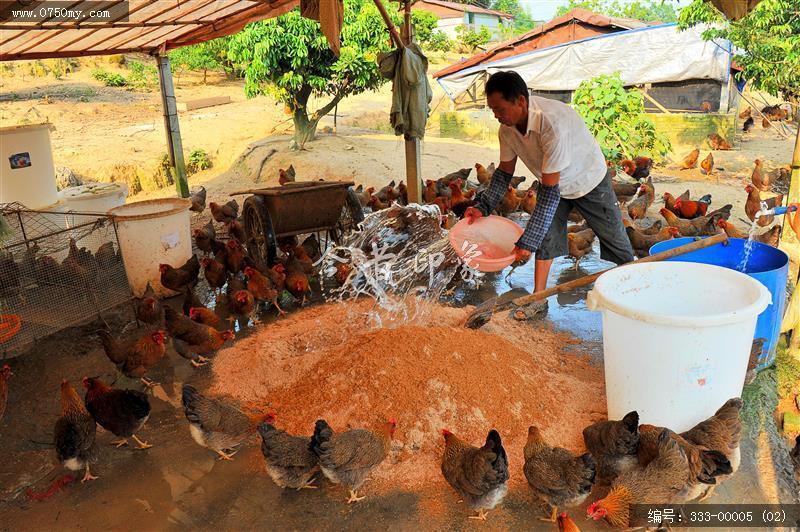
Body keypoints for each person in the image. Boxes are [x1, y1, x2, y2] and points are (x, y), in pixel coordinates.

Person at [465, 70, 634, 295]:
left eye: (500, 109)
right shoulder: (507, 130)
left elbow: (549, 193)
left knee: (617, 241)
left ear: (521, 101)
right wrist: (482, 206)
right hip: (553, 183)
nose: (496, 115)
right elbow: (504, 172)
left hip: (588, 178)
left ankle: (636, 289)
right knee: (546, 238)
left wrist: (528, 241)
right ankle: (538, 297)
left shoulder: (552, 124)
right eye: (493, 109)